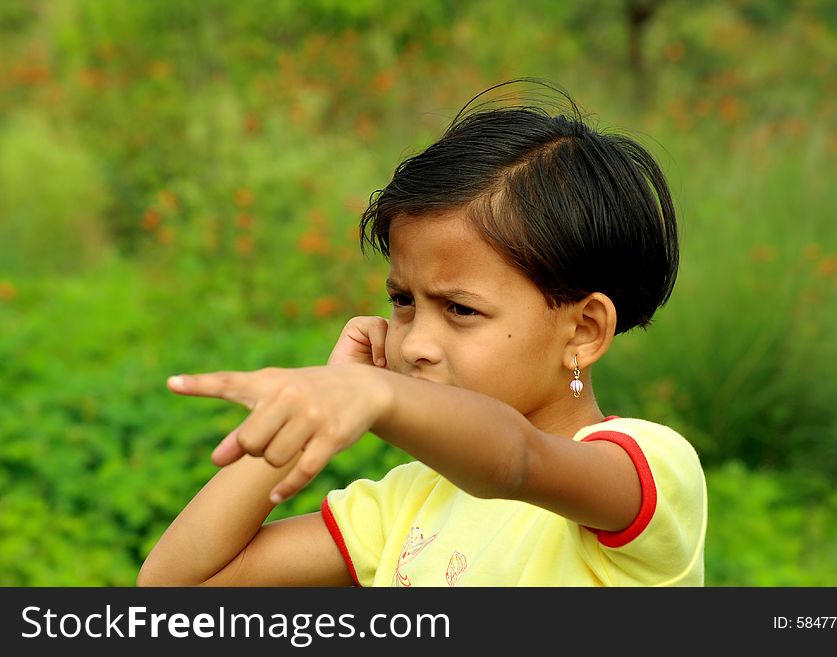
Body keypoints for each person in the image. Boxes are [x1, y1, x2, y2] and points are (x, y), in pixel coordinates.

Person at [137, 78, 707, 588]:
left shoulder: (646, 469)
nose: (412, 345)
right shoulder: (408, 502)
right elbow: (175, 589)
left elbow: (516, 461)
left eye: (460, 309)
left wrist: (381, 396)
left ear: (583, 331)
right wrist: (308, 410)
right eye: (403, 301)